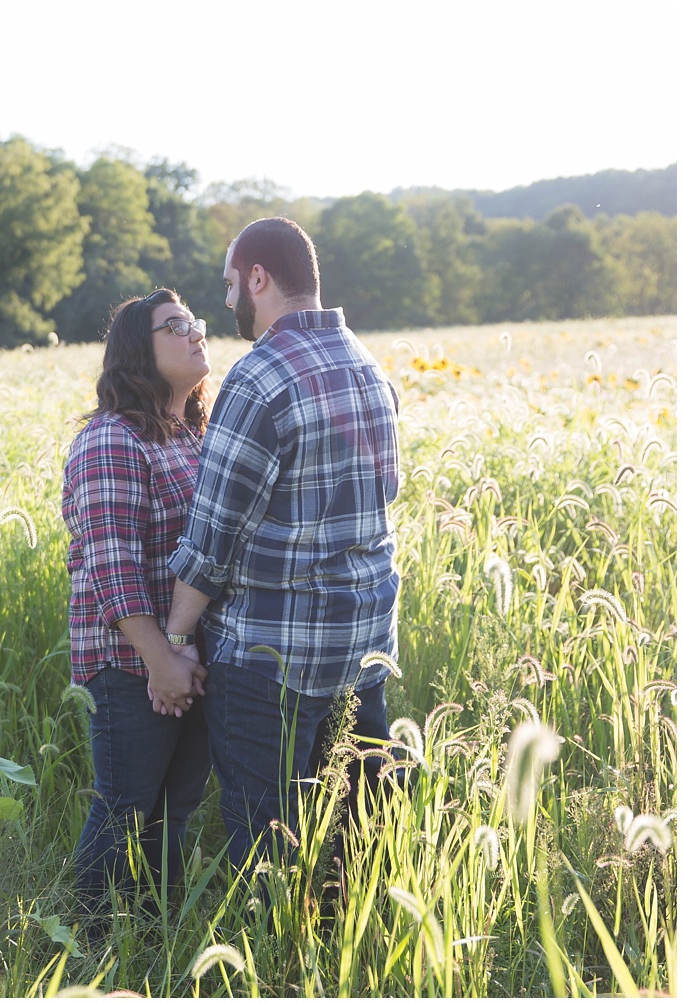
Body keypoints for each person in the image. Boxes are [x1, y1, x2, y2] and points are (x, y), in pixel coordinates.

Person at [158, 217, 401, 876]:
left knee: (267, 848)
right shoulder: (368, 365)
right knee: (355, 841)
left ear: (258, 277)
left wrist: (176, 638)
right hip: (362, 651)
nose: (228, 300)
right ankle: (339, 957)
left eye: (231, 283)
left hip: (270, 662)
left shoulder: (260, 376)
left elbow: (211, 539)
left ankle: (273, 968)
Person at [61, 288, 213, 918]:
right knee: (125, 808)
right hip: (130, 664)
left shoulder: (193, 435)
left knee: (173, 811)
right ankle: (80, 945)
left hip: (191, 658)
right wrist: (160, 659)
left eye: (195, 321)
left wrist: (185, 654)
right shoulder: (111, 440)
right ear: (136, 353)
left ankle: (151, 939)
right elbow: (111, 567)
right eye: (173, 326)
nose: (194, 331)